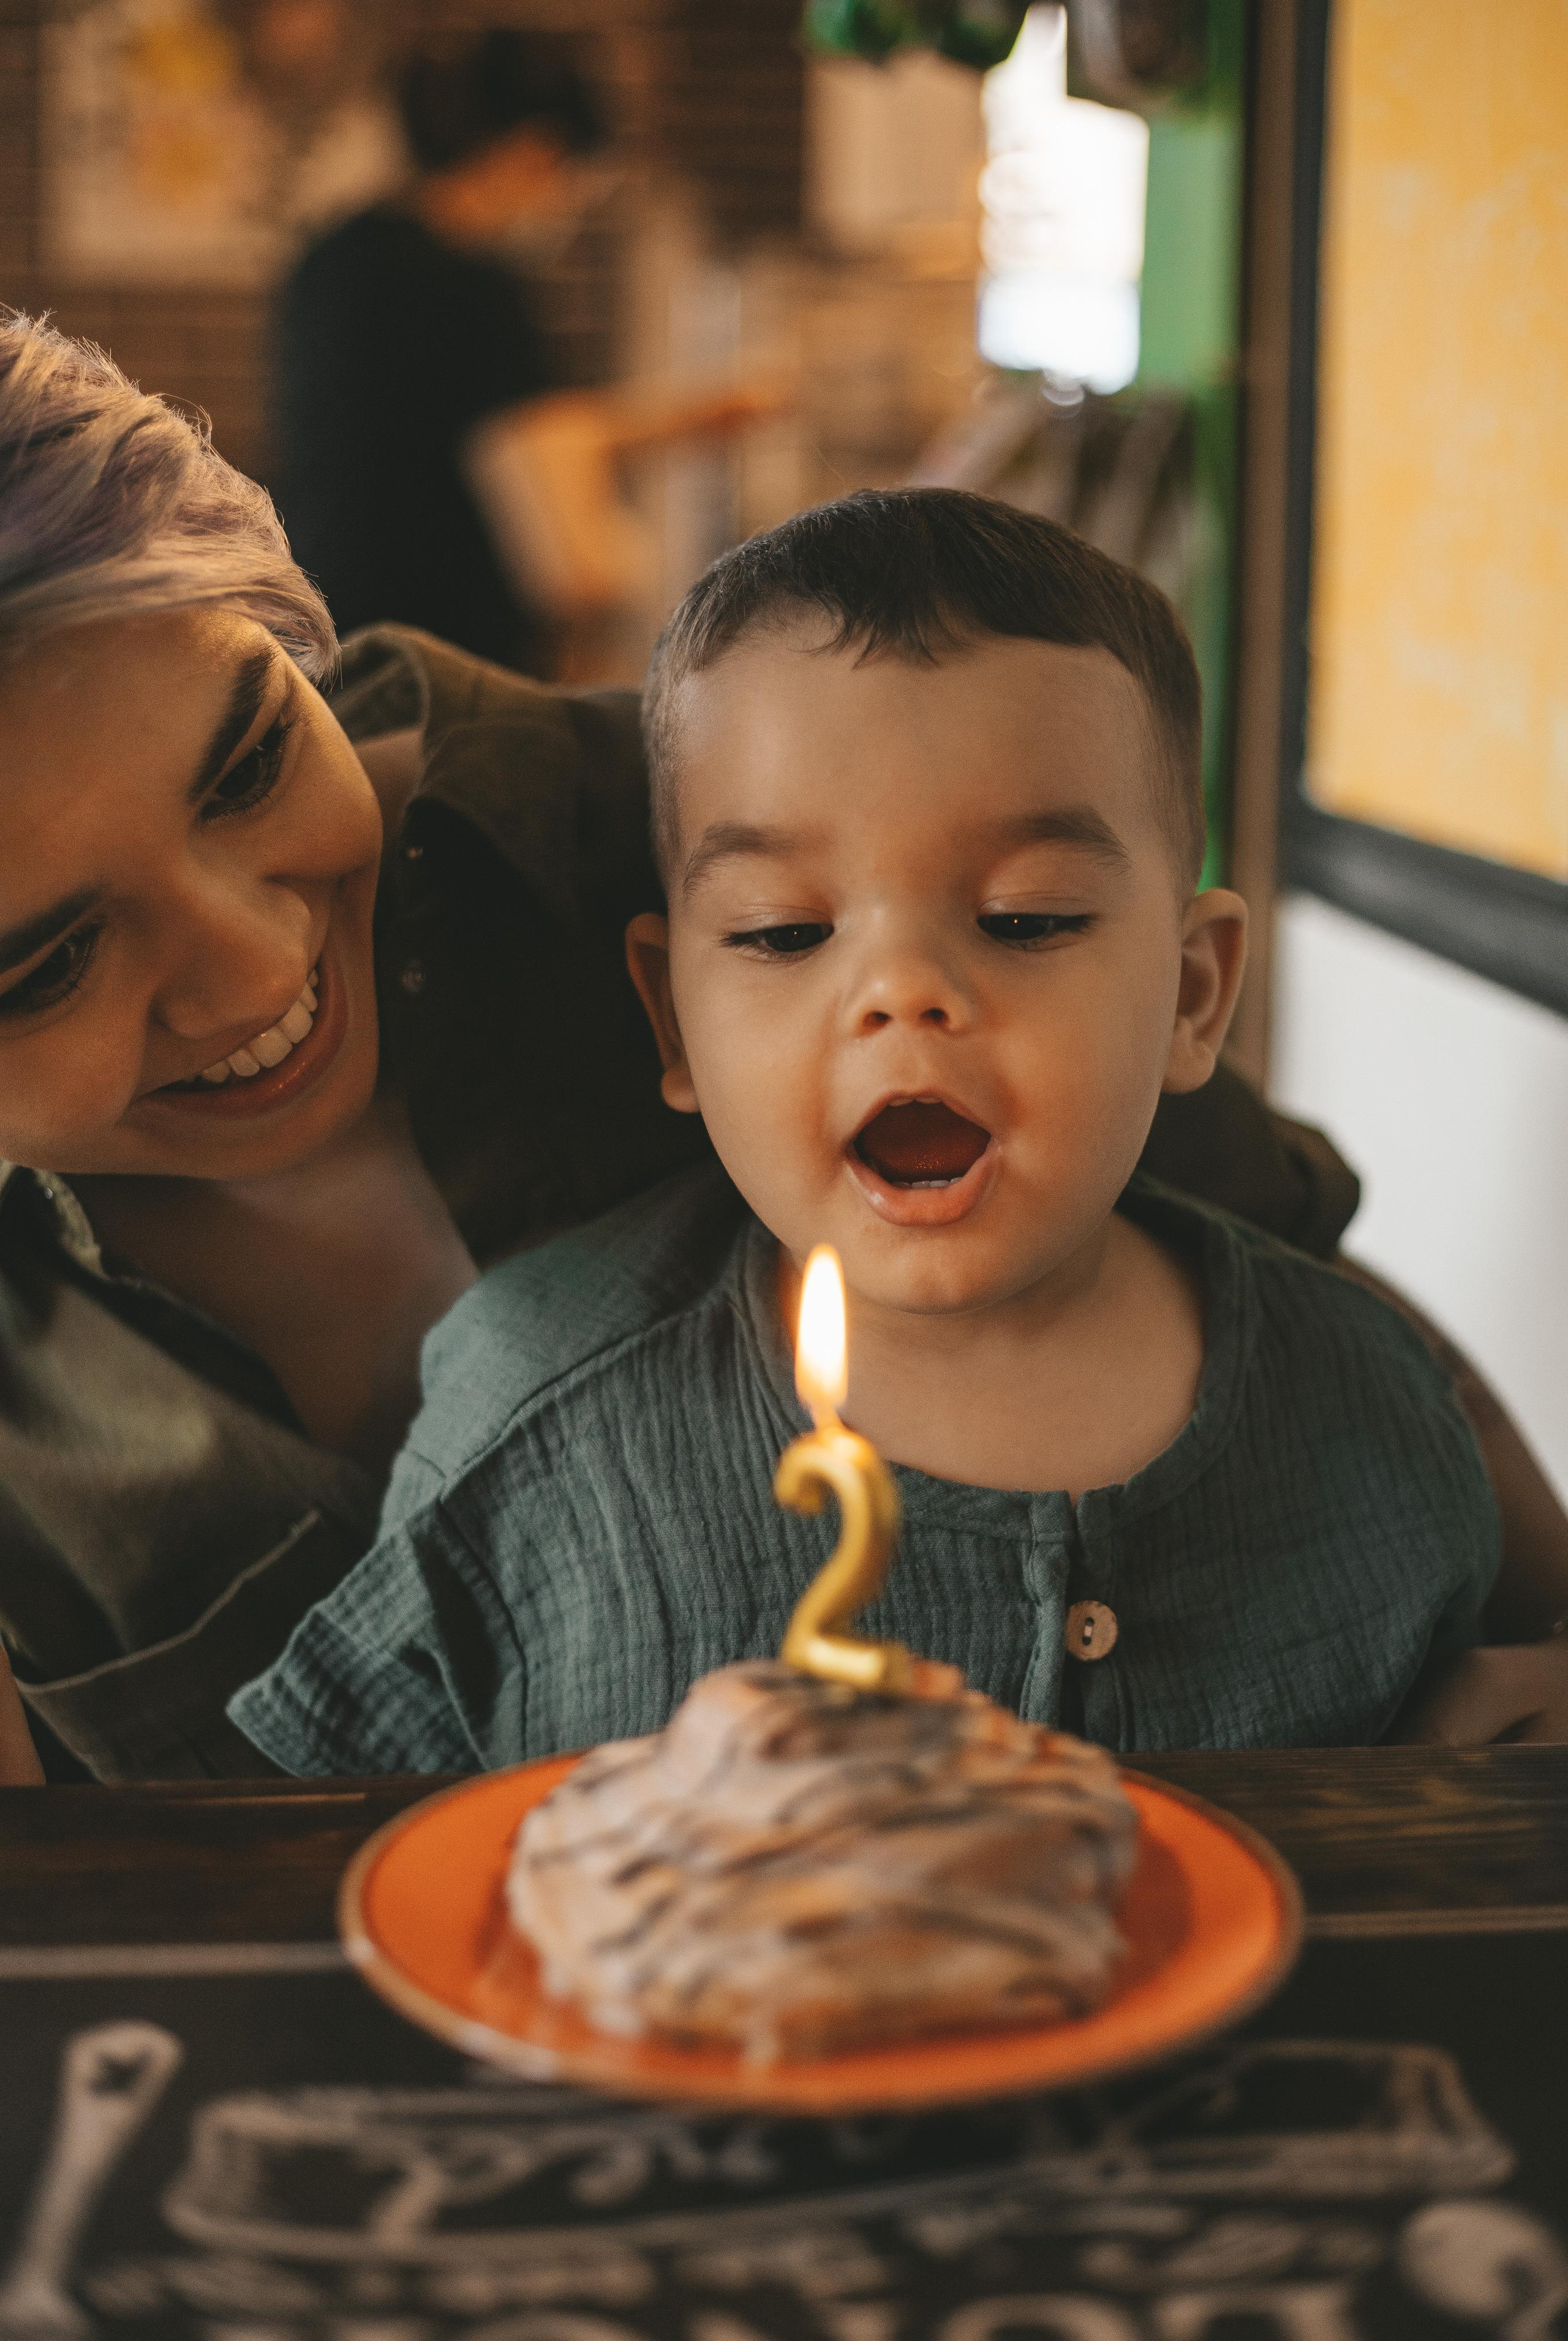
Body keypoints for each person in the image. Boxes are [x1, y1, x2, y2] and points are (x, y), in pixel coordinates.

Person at [1, 320, 1565, 1787]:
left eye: (255, 757)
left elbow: (1295, 1293)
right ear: (668, 1013)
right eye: (48, 958)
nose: (263, 959)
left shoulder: (706, 816)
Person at [274, 28, 770, 678]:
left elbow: (470, 425)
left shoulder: (328, 258)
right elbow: (543, 460)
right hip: (444, 648)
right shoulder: (470, 283)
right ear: (529, 152)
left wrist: (690, 415)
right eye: (569, 175)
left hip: (322, 616)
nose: (563, 201)